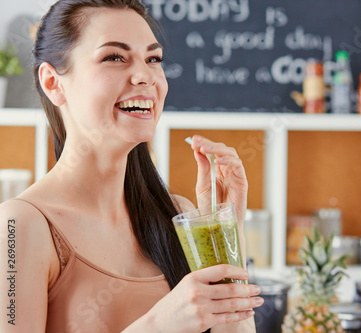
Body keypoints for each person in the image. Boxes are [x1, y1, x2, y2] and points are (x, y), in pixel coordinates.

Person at [0, 0, 262, 332]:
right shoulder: (19, 226)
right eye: (114, 57)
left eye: (153, 59)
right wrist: (158, 325)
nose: (145, 76)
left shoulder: (176, 214)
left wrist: (224, 237)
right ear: (53, 83)